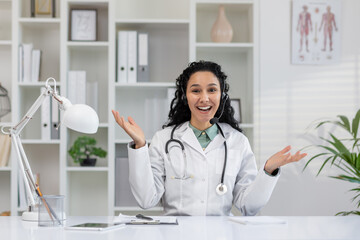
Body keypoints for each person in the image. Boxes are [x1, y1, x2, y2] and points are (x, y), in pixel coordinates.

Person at [112, 61, 307, 216]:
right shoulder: (164, 140)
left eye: (212, 90)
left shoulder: (237, 142)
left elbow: (249, 206)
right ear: (185, 96)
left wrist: (268, 170)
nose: (204, 98)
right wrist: (140, 145)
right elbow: (146, 200)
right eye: (196, 90)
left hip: (221, 234)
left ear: (221, 95)